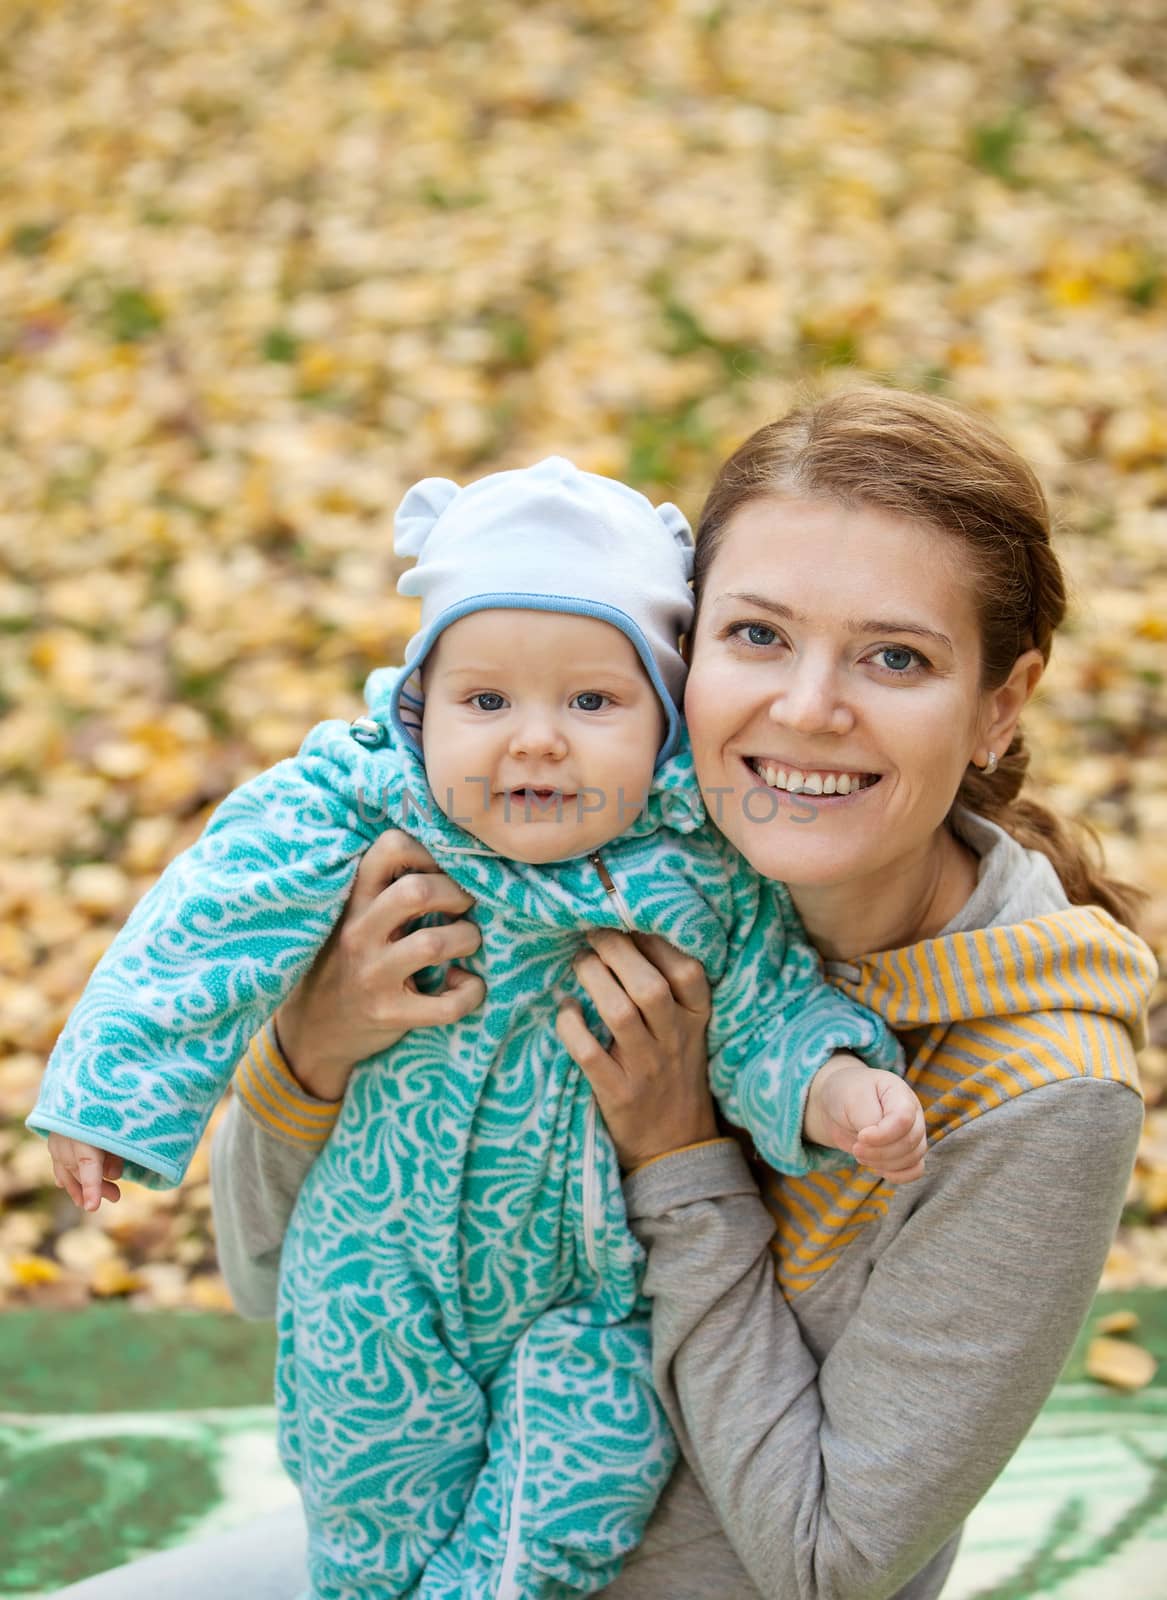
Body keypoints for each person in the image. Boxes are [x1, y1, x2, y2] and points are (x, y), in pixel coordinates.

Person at [50, 387, 1156, 1600]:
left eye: (895, 656)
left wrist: (677, 1155)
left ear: (1001, 704)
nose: (805, 707)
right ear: (681, 656)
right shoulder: (589, 848)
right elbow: (274, 1289)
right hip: (402, 1533)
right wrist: (316, 1048)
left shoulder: (1043, 1088)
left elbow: (829, 1564)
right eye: (757, 636)